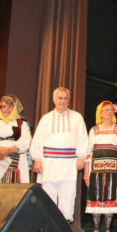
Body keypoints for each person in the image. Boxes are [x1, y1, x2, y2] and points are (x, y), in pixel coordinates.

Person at [30, 87, 88, 222]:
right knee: (48, 193)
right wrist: (37, 159)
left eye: (65, 98)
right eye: (60, 98)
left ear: (69, 100)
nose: (62, 101)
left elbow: (82, 138)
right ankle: (49, 223)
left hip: (69, 162)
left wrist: (81, 157)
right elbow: (38, 139)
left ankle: (65, 223)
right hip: (49, 162)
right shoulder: (46, 118)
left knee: (68, 192)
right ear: (54, 99)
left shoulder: (77, 117)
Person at [83, 101, 117, 232]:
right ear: (100, 113)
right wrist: (86, 173)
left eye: (110, 109)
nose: (108, 112)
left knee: (110, 195)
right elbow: (88, 152)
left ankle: (108, 229)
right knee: (96, 195)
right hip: (96, 169)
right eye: (105, 110)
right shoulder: (94, 130)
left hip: (113, 168)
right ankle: (96, 229)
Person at [0, 94, 31, 184]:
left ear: (14, 108)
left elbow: (26, 142)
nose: (6, 109)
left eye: (10, 106)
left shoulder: (22, 124)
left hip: (16, 160)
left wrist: (7, 151)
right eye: (4, 106)